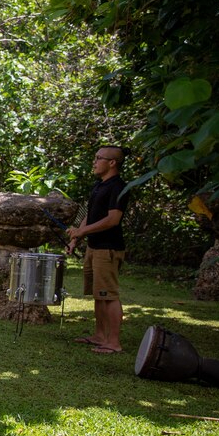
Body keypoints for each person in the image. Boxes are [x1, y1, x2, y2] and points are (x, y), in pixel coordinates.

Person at [68, 146, 131, 355]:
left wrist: (82, 230)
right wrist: (77, 236)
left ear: (112, 162)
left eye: (98, 158)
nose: (94, 162)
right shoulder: (99, 185)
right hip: (94, 247)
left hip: (108, 248)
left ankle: (114, 342)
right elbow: (92, 214)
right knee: (98, 294)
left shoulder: (118, 187)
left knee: (109, 295)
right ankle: (99, 335)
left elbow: (113, 219)